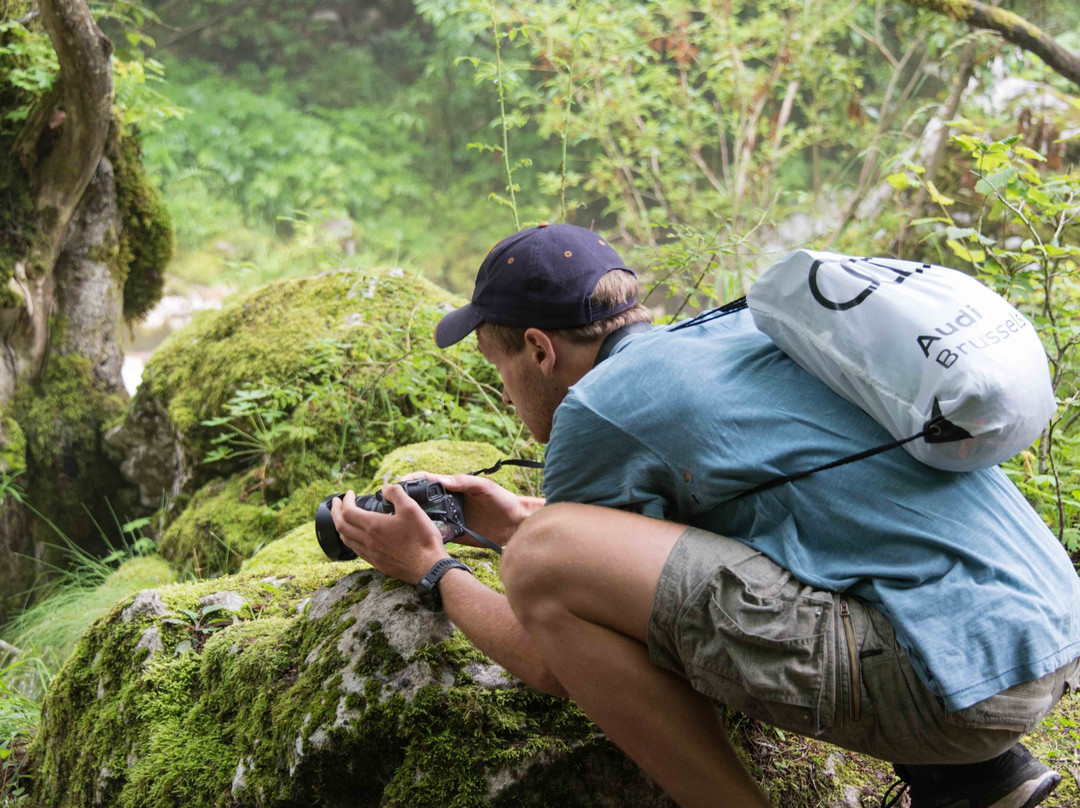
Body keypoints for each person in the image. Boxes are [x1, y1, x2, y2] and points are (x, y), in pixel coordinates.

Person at [330, 223, 1080, 808]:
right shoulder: (739, 336)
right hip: (1044, 632)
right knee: (562, 539)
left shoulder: (597, 408)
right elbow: (656, 555)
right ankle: (974, 783)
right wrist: (506, 517)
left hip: (951, 688)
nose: (503, 394)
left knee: (540, 561)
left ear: (538, 349)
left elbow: (552, 650)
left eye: (500, 371)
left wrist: (431, 569)